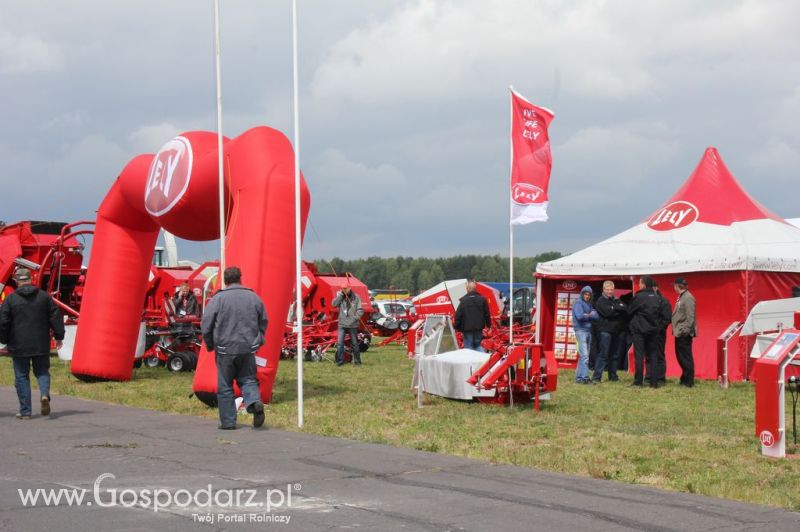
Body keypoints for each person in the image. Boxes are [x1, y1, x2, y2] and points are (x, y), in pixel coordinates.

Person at [201, 266, 266, 430]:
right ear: (240, 278)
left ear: (225, 280)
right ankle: (253, 402)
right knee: (248, 379)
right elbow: (263, 320)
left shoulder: (218, 299)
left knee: (225, 386)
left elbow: (206, 324)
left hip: (225, 349)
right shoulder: (253, 297)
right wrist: (258, 340)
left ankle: (228, 422)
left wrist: (210, 344)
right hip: (247, 347)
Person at [0, 268, 65, 419]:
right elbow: (56, 317)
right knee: (42, 372)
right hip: (40, 343)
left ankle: (25, 412)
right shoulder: (44, 297)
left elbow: (3, 321)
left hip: (18, 344)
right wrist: (59, 336)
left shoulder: (10, 299)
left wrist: (3, 339)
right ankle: (44, 395)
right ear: (31, 279)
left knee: (21, 376)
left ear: (16, 281)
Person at [627, 276, 662, 387]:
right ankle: (654, 382)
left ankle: (638, 382)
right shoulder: (657, 297)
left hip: (640, 330)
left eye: (640, 283)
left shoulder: (639, 297)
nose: (639, 285)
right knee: (653, 356)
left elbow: (630, 311)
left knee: (639, 356)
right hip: (653, 331)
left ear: (643, 284)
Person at [592, 281, 627, 383]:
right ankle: (596, 378)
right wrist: (617, 309)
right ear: (603, 289)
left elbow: (625, 309)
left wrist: (614, 308)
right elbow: (607, 313)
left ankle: (613, 376)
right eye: (607, 289)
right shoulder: (600, 301)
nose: (609, 292)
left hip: (615, 331)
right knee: (603, 354)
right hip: (604, 331)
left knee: (614, 355)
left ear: (614, 289)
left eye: (611, 290)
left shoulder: (616, 299)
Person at [672, 277, 697, 387]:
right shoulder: (682, 297)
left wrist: (685, 331)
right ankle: (685, 377)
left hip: (684, 332)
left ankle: (688, 380)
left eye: (674, 286)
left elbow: (690, 316)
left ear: (677, 286)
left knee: (685, 356)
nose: (674, 288)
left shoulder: (688, 298)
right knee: (680, 356)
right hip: (679, 331)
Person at [572, 286, 598, 384]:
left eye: (589, 294)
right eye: (585, 294)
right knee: (585, 356)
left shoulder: (589, 304)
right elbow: (579, 316)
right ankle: (585, 377)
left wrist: (587, 315)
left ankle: (579, 378)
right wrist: (590, 315)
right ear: (582, 294)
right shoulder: (578, 303)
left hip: (587, 331)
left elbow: (596, 316)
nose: (587, 296)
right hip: (581, 331)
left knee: (582, 356)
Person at [455, 280, 491, 352]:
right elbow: (487, 314)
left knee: (469, 348)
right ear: (475, 289)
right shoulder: (482, 299)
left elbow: (458, 316)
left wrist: (457, 328)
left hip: (467, 329)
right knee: (478, 345)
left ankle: (471, 362)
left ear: (468, 289)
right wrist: (489, 326)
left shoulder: (463, 301)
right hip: (479, 328)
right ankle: (483, 360)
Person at [332, 285, 364, 366]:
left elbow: (360, 310)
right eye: (342, 288)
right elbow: (334, 304)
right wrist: (340, 296)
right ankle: (340, 361)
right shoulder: (340, 296)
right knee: (340, 344)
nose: (343, 290)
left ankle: (357, 362)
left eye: (345, 288)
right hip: (342, 324)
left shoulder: (356, 297)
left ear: (349, 288)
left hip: (352, 324)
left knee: (354, 344)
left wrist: (354, 318)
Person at [652, 281, 673, 386]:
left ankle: (660, 378)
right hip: (649, 332)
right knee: (649, 355)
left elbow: (667, 318)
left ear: (656, 288)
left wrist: (658, 328)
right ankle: (650, 376)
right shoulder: (648, 300)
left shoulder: (664, 301)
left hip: (659, 332)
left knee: (659, 355)